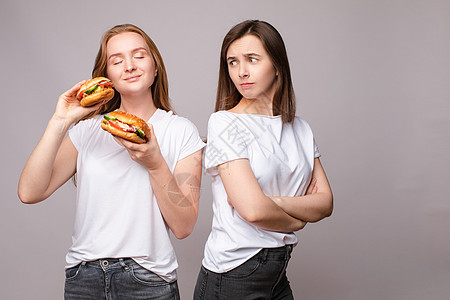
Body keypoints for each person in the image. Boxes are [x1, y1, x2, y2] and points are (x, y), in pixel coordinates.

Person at [18, 24, 205, 299]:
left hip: (148, 278)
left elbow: (184, 226)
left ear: (156, 68)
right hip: (84, 277)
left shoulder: (181, 131)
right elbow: (29, 192)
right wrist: (60, 121)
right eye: (117, 61)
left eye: (139, 56)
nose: (129, 65)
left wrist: (155, 164)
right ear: (107, 77)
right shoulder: (87, 130)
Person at [194, 20, 333, 299]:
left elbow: (325, 203)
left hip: (277, 272)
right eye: (232, 62)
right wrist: (297, 219)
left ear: (278, 65)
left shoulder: (300, 128)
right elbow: (253, 211)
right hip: (234, 274)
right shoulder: (224, 123)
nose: (241, 71)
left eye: (252, 60)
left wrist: (273, 202)